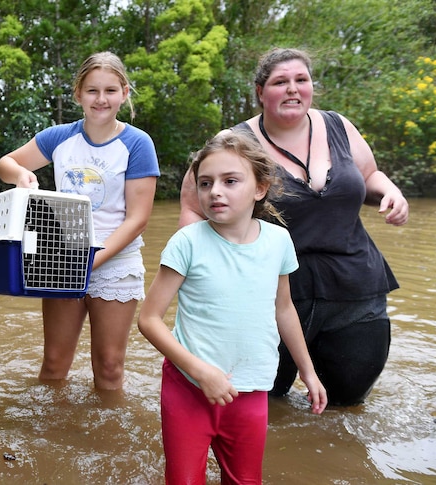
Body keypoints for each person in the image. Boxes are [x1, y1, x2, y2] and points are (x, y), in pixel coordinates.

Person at [179, 47, 409, 406]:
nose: (292, 89)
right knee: (262, 399)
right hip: (270, 293)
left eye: (300, 80)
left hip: (354, 285)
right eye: (279, 82)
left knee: (346, 403)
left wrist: (391, 191)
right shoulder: (234, 143)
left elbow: (368, 175)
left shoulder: (339, 126)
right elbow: (193, 209)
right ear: (260, 92)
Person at [138, 132, 327, 484]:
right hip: (189, 389)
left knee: (244, 480)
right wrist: (201, 371)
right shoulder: (187, 242)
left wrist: (308, 370)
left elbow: (283, 309)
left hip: (251, 391)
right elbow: (149, 319)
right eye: (205, 183)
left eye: (230, 181)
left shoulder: (278, 241)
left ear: (260, 187)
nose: (215, 192)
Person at [0, 52, 159, 391]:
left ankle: (105, 439)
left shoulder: (137, 143)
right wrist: (22, 174)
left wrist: (91, 261)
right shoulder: (58, 138)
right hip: (62, 259)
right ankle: (51, 436)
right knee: (54, 363)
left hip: (115, 261)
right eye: (92, 91)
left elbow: (138, 219)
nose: (101, 99)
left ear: (124, 93)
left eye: (111, 91)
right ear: (78, 94)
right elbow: (4, 164)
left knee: (110, 367)